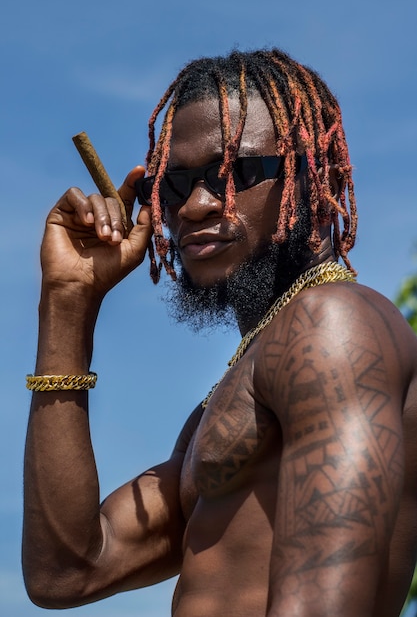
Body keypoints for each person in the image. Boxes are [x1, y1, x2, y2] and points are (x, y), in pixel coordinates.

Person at [22, 49, 417, 617]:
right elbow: (66, 572)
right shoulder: (243, 381)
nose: (197, 206)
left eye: (236, 174)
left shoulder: (332, 325)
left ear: (317, 175)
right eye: (176, 185)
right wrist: (67, 305)